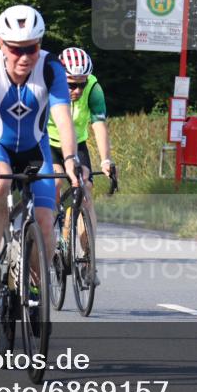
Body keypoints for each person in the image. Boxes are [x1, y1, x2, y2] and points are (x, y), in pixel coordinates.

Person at [0, 5, 81, 294]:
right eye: (16, 49)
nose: (24, 57)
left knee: (45, 220)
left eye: (31, 48)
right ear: (1, 44)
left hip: (35, 146)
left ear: (39, 44)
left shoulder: (50, 67)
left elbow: (62, 119)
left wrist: (70, 159)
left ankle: (33, 288)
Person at [46, 47, 115, 283]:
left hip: (77, 144)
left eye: (81, 85)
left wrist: (106, 160)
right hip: (49, 142)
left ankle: (88, 259)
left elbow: (99, 125)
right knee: (54, 182)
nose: (77, 90)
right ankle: (51, 231)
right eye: (71, 84)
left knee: (86, 190)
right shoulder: (48, 83)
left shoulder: (94, 87)